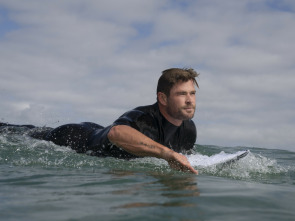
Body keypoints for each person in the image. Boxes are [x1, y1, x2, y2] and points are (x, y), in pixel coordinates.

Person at [0, 68, 199, 174]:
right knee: (23, 133)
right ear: (163, 98)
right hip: (74, 138)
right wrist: (167, 153)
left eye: (192, 93)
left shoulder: (189, 129)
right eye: (182, 94)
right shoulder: (143, 118)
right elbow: (115, 133)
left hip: (96, 129)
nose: (190, 100)